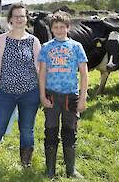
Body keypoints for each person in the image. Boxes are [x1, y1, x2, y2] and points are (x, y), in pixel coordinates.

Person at [0, 4, 41, 169]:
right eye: (16, 16)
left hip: (30, 93)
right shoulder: (0, 40)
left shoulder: (34, 41)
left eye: (22, 16)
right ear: (10, 19)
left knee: (27, 129)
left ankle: (26, 163)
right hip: (4, 93)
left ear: (26, 19)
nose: (19, 19)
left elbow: (39, 68)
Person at [38, 11, 88, 178]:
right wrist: (42, 96)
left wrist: (82, 98)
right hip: (51, 95)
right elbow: (42, 73)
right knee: (51, 131)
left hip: (70, 96)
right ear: (51, 29)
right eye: (55, 27)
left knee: (70, 131)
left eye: (62, 27)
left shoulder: (76, 47)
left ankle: (71, 170)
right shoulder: (46, 47)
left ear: (68, 27)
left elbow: (84, 74)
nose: (59, 30)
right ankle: (50, 170)